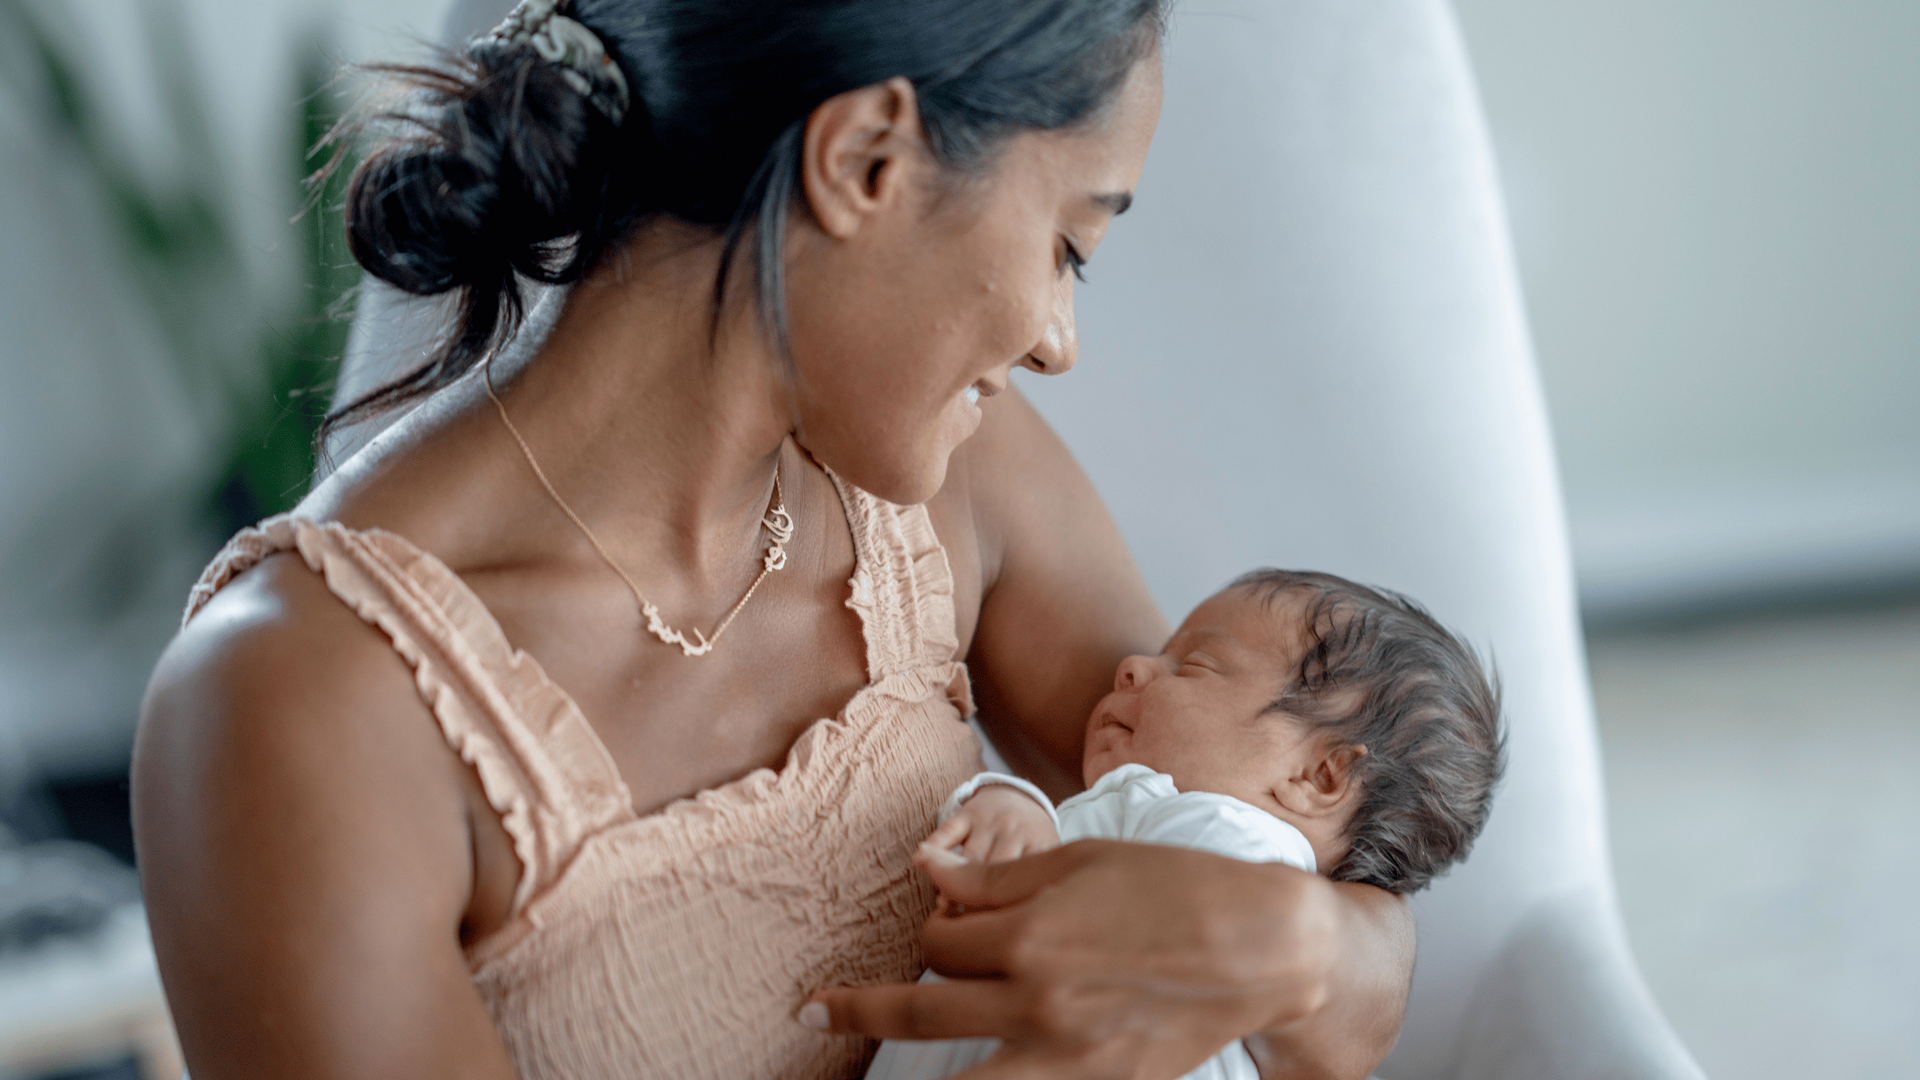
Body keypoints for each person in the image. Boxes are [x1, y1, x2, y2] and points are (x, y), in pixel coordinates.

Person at [133, 1, 1416, 1077]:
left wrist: (1291, 943)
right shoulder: (299, 704)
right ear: (866, 160)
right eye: (1068, 244)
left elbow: (1328, 909)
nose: (1056, 340)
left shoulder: (961, 478)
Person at [864, 569, 1503, 1080]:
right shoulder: (1153, 818)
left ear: (1319, 778)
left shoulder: (1224, 839)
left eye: (1194, 665)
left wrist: (1005, 803)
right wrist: (1016, 810)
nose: (1133, 666)